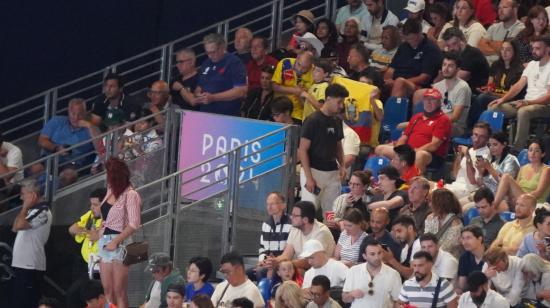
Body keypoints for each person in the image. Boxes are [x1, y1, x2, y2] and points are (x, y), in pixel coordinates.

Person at [490, 35, 550, 148]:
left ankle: (517, 149)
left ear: (547, 49)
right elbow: (518, 86)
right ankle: (496, 143)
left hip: (545, 106)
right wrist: (503, 99)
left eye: (538, 48)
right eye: (533, 48)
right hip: (526, 102)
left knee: (523, 111)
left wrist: (528, 103)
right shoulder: (532, 64)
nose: (534, 51)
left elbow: (548, 97)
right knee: (494, 108)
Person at [98, 158, 142, 308]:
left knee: (119, 291)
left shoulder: (131, 194)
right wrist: (101, 231)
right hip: (105, 241)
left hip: (121, 242)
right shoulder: (110, 191)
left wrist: (115, 241)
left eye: (109, 174)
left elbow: (134, 223)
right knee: (108, 290)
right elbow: (105, 216)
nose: (106, 177)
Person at [375, 88, 451, 173]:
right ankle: (387, 177)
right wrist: (400, 150)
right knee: (380, 149)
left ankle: (413, 181)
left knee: (419, 155)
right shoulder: (417, 117)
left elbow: (433, 146)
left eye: (433, 99)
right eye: (426, 99)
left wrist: (413, 152)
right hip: (409, 151)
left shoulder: (443, 119)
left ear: (439, 102)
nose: (429, 102)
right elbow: (404, 137)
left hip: (430, 155)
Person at [298, 84, 348, 213]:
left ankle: (330, 233)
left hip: (332, 172)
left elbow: (338, 146)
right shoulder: (312, 120)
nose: (341, 106)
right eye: (339, 102)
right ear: (329, 99)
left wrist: (342, 165)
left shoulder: (337, 121)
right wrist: (309, 178)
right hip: (313, 171)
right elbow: (302, 150)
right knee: (308, 210)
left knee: (332, 212)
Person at [10, 179, 52, 308]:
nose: (21, 197)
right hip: (22, 264)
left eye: (23, 194)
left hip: (31, 265)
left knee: (29, 301)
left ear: (33, 194)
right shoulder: (31, 211)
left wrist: (25, 207)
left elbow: (19, 225)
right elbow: (14, 227)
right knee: (20, 300)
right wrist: (25, 209)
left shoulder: (43, 211)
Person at [384, 19, 443, 103]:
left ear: (419, 34)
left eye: (412, 38)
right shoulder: (404, 46)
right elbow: (391, 69)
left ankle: (392, 113)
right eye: (407, 39)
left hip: (416, 85)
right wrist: (387, 80)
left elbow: (424, 77)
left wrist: (396, 82)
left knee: (400, 83)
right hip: (396, 80)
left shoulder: (431, 49)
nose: (410, 42)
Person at [267, 201, 335, 272]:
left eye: (295, 216)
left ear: (305, 220)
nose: (291, 217)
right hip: (300, 266)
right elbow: (287, 255)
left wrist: (284, 264)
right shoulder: (295, 228)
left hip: (320, 270)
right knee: (265, 270)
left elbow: (310, 261)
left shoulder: (321, 232)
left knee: (291, 271)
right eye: (291, 214)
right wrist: (273, 261)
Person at [472, 40, 524, 128]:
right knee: (475, 97)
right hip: (495, 95)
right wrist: (487, 90)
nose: (504, 52)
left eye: (508, 50)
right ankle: (477, 127)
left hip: (510, 98)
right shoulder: (496, 65)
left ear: (515, 52)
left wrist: (491, 93)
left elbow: (511, 93)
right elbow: (490, 85)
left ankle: (475, 127)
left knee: (482, 98)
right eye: (502, 49)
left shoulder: (519, 69)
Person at [38, 98, 100, 168]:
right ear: (68, 112)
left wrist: (90, 126)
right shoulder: (57, 121)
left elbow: (100, 148)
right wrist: (57, 148)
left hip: (73, 164)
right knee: (35, 168)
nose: (76, 117)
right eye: (73, 114)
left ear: (85, 113)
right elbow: (41, 141)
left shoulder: (91, 128)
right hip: (49, 158)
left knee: (68, 174)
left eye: (80, 114)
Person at [196, 33, 247, 116]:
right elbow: (199, 87)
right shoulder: (206, 63)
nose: (210, 56)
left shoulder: (234, 63)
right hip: (205, 114)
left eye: (213, 52)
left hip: (226, 116)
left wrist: (213, 97)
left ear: (222, 47)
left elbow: (241, 91)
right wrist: (199, 95)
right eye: (207, 53)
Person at [342, 238, 402, 308]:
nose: (377, 257)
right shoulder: (353, 271)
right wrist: (351, 294)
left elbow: (397, 301)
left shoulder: (393, 274)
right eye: (372, 254)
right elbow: (345, 299)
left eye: (379, 253)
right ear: (364, 256)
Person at [492, 140, 550, 208]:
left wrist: (521, 198)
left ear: (543, 154)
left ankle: (493, 207)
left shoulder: (546, 170)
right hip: (518, 201)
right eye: (530, 150)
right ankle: (493, 207)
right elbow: (516, 187)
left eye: (536, 151)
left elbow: (538, 193)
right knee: (499, 205)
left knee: (506, 177)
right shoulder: (523, 168)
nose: (533, 153)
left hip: (533, 202)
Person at [444, 121, 491, 199]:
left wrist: (468, 157)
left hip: (468, 190)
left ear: (487, 139)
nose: (477, 139)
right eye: (475, 135)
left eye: (481, 137)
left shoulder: (484, 154)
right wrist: (459, 156)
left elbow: (473, 182)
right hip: (456, 186)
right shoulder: (471, 150)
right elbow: (455, 174)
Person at [253, 192, 292, 279]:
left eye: (273, 204)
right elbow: (262, 247)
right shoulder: (266, 224)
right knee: (246, 274)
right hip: (268, 263)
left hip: (283, 263)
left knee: (260, 272)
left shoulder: (291, 224)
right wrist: (263, 261)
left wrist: (273, 261)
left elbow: (289, 251)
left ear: (283, 205)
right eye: (268, 204)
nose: (269, 207)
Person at [440, 27, 490, 93]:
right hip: (460, 89)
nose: (451, 48)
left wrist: (444, 75)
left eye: (454, 44)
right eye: (448, 46)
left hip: (476, 92)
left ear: (462, 41)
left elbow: (459, 78)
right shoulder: (453, 54)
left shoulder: (472, 53)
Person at [272, 51, 314, 121]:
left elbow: (310, 103)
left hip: (299, 115)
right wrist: (295, 90)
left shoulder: (314, 72)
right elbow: (274, 86)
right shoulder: (285, 63)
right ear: (297, 58)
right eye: (299, 65)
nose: (300, 69)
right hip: (279, 111)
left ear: (311, 65)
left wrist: (302, 95)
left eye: (305, 68)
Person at [424, 188, 464, 259]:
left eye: (431, 202)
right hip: (430, 256)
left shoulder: (455, 223)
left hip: (448, 259)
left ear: (440, 204)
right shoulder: (430, 218)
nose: (430, 205)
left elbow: (447, 247)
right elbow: (426, 238)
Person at [383, 215, 420, 279]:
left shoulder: (419, 244)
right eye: (395, 232)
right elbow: (401, 271)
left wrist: (391, 259)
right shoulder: (405, 249)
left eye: (399, 231)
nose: (397, 236)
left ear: (410, 228)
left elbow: (412, 274)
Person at [457, 225, 486, 294]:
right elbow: (462, 286)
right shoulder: (464, 257)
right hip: (471, 295)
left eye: (468, 238)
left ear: (480, 239)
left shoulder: (491, 256)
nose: (465, 242)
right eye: (463, 238)